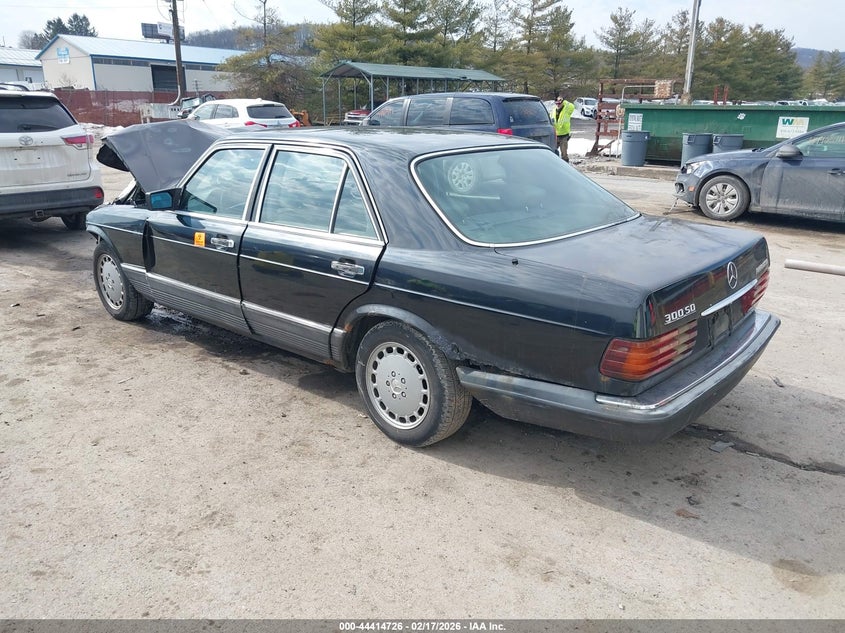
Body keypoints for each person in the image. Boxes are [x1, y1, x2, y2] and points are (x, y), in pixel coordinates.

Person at [551, 96, 575, 162]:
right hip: (556, 135)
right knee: (552, 151)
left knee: (564, 153)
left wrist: (563, 100)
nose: (558, 105)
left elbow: (572, 106)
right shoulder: (553, 110)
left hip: (564, 135)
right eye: (557, 103)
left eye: (559, 103)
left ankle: (565, 164)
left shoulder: (567, 109)